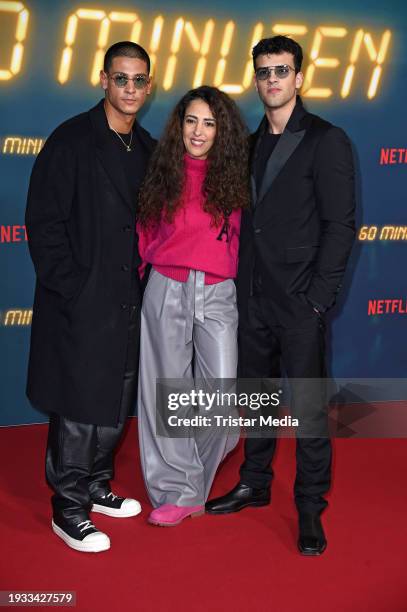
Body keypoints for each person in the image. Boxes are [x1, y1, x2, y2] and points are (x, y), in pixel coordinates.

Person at [205, 36, 356, 555]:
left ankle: (311, 506)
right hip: (252, 299)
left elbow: (341, 224)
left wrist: (318, 298)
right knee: (257, 400)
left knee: (310, 409)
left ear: (299, 78)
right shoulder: (247, 144)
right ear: (255, 79)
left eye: (282, 70)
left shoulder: (326, 140)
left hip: (299, 303)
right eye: (264, 71)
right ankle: (255, 482)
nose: (272, 79)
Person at [25, 41, 156, 553]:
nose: (129, 88)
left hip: (129, 301)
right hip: (82, 302)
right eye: (120, 78)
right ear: (103, 79)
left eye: (138, 80)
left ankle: (97, 484)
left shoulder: (145, 147)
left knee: (114, 398)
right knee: (79, 405)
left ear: (149, 85)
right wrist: (73, 287)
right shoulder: (72, 141)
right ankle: (69, 507)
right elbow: (44, 223)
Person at [136, 85, 249, 527]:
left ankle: (190, 482)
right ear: (179, 125)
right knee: (166, 393)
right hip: (167, 283)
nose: (198, 132)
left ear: (222, 130)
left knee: (220, 399)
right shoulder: (162, 171)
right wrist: (159, 272)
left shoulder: (236, 174)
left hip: (218, 291)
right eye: (191, 121)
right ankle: (177, 490)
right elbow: (145, 230)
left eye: (209, 123)